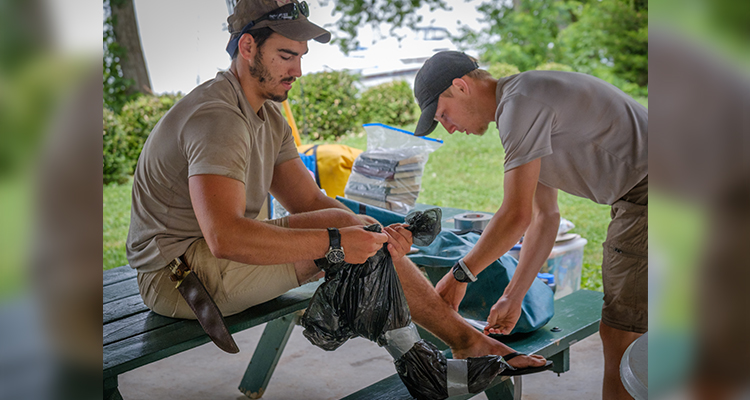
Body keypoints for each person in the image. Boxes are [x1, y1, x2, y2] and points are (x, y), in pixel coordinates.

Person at [126, 0, 548, 372]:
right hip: (179, 279)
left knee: (357, 230)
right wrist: (337, 241)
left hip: (214, 261)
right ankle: (464, 345)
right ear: (247, 47)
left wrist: (371, 235)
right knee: (347, 239)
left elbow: (307, 200)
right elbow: (225, 237)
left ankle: (455, 346)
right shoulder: (218, 117)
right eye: (286, 56)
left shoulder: (267, 116)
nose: (298, 70)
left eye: (301, 56)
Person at [412, 51, 647, 399]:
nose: (448, 127)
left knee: (622, 337)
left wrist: (460, 274)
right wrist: (513, 295)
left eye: (442, 114)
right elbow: (543, 217)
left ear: (460, 87)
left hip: (651, 193)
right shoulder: (526, 98)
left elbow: (514, 215)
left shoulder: (519, 105)